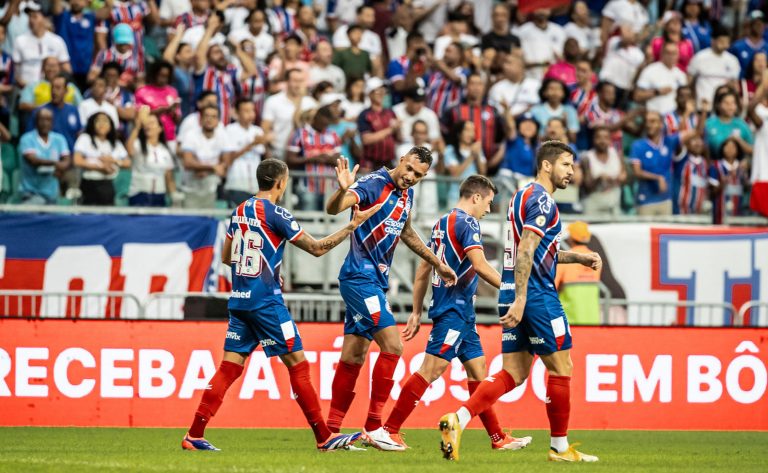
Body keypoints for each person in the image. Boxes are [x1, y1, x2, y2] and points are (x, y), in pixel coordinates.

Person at [182, 158, 381, 452]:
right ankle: (325, 437)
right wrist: (351, 226)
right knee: (298, 364)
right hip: (266, 302)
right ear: (280, 182)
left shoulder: (239, 211)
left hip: (239, 300)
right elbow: (315, 248)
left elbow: (227, 257)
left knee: (229, 367)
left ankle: (194, 435)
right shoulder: (277, 214)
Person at [438, 141, 602, 463]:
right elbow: (527, 250)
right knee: (562, 366)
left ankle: (458, 418)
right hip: (536, 294)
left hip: (513, 289)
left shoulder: (521, 196)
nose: (572, 171)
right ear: (546, 165)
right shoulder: (544, 201)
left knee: (514, 371)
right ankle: (559, 448)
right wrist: (524, 299)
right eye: (566, 165)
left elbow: (539, 251)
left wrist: (577, 258)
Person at [381, 175, 532, 451]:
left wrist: (417, 310)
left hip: (461, 313)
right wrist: (514, 290)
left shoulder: (442, 223)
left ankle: (497, 438)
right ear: (476, 197)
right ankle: (389, 430)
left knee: (479, 372)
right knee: (430, 370)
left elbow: (424, 268)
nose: (489, 209)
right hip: (453, 310)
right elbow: (481, 265)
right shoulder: (467, 223)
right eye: (488, 202)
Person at [323, 150, 457, 449]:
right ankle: (374, 427)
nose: (410, 176)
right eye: (408, 168)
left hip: (374, 284)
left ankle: (331, 431)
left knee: (354, 355)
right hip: (360, 279)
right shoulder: (373, 183)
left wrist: (437, 262)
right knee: (393, 345)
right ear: (401, 160)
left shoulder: (404, 194)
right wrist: (343, 189)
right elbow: (335, 208)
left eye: (418, 175)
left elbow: (406, 233)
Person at [631, 111, 688, 216]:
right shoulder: (638, 145)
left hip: (665, 199)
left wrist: (689, 113)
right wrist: (657, 178)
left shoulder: (668, 142)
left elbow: (695, 132)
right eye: (647, 122)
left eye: (653, 121)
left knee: (665, 230)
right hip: (645, 200)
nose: (649, 125)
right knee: (645, 231)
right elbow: (637, 172)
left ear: (661, 124)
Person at [442, 72, 505, 166]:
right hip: (458, 164)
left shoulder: (493, 111)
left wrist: (493, 162)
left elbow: (501, 138)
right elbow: (443, 134)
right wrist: (449, 157)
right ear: (466, 86)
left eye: (479, 84)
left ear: (484, 87)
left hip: (488, 165)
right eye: (472, 83)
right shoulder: (454, 110)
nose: (476, 87)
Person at [286, 105, 342, 211]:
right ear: (315, 118)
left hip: (330, 188)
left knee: (330, 221)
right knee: (309, 221)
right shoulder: (300, 134)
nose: (324, 126)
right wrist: (312, 159)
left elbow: (338, 160)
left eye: (327, 124)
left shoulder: (333, 135)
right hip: (307, 188)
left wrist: (328, 159)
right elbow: (290, 159)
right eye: (322, 123)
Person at [73, 112, 130, 205]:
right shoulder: (85, 138)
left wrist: (113, 161)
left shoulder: (115, 143)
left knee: (107, 215)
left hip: (108, 184)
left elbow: (127, 163)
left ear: (111, 125)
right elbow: (77, 160)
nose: (102, 124)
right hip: (90, 184)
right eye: (98, 121)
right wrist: (101, 168)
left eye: (105, 121)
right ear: (92, 124)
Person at [223, 99, 271, 207]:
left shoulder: (258, 130)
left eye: (252, 111)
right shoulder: (229, 130)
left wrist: (266, 143)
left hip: (256, 186)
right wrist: (251, 144)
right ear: (237, 113)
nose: (250, 114)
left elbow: (267, 159)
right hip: (236, 184)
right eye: (246, 111)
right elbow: (228, 159)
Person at [261, 68, 317, 160]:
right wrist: (268, 155)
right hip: (279, 153)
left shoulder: (311, 103)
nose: (298, 84)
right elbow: (264, 130)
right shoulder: (273, 101)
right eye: (295, 81)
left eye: (301, 81)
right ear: (287, 81)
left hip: (305, 155)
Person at [126, 106, 177, 207]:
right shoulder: (138, 144)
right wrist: (138, 126)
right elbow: (129, 150)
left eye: (152, 123)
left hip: (159, 194)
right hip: (139, 193)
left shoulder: (165, 150)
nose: (148, 126)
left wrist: (173, 195)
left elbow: (169, 176)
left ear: (160, 128)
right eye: (147, 123)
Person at [18, 107, 71, 204]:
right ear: (36, 121)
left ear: (52, 122)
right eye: (42, 119)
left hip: (52, 194)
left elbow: (66, 161)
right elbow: (33, 161)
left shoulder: (59, 139)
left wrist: (61, 168)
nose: (45, 123)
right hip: (31, 193)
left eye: (48, 120)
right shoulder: (27, 139)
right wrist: (56, 164)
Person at [12, 2, 71, 88]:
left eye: (35, 16)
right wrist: (28, 88)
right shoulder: (20, 41)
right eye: (29, 16)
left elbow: (66, 69)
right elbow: (15, 72)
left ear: (45, 19)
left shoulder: (57, 41)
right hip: (25, 89)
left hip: (50, 91)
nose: (31, 20)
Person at [554, 221, 603, 325]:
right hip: (592, 319)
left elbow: (552, 287)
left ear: (571, 238)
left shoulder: (566, 260)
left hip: (570, 319)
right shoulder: (595, 259)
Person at [180, 104, 227, 208]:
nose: (209, 119)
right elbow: (187, 163)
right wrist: (213, 168)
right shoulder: (191, 135)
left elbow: (225, 163)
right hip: (190, 190)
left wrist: (202, 168)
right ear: (201, 119)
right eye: (206, 116)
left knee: (209, 221)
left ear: (218, 120)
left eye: (213, 116)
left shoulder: (222, 136)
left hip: (211, 190)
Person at [687, 25, 740, 107]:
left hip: (723, 108)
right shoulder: (699, 57)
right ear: (713, 40)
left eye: (726, 42)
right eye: (721, 41)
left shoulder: (733, 60)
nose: (724, 44)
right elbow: (689, 82)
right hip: (702, 105)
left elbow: (735, 85)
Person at [580, 126, 626, 216]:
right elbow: (587, 185)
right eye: (599, 137)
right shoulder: (587, 157)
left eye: (606, 138)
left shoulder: (617, 154)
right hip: (594, 202)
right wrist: (599, 178)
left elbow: (624, 178)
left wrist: (614, 179)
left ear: (610, 140)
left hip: (614, 200)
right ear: (593, 139)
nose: (602, 141)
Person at [356, 77, 399, 172]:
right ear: (370, 94)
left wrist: (398, 128)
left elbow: (398, 138)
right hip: (370, 164)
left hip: (388, 163)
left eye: (382, 90)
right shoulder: (365, 115)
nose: (381, 93)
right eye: (377, 91)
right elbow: (366, 139)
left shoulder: (390, 113)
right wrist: (390, 130)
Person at [52, 0, 96, 91]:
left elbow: (108, 8)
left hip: (87, 71)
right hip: (67, 69)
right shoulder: (63, 17)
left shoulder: (90, 17)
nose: (76, 2)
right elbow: (56, 5)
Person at [635, 41, 688, 115]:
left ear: (678, 55)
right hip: (654, 116)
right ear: (662, 54)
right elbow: (637, 96)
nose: (671, 56)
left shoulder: (681, 75)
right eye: (668, 53)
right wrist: (657, 92)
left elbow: (685, 99)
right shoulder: (650, 70)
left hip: (673, 118)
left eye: (674, 53)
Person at [135, 60, 181, 144]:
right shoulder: (142, 91)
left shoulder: (172, 91)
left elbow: (177, 119)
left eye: (166, 76)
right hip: (149, 138)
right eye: (161, 75)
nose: (164, 79)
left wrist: (173, 112)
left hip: (170, 137)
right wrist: (159, 111)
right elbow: (139, 115)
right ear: (154, 74)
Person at [444, 120, 486, 203]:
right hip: (456, 197)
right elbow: (455, 174)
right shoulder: (450, 150)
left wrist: (477, 156)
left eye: (472, 130)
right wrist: (471, 157)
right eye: (467, 130)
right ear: (459, 133)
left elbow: (483, 172)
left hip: (474, 198)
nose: (470, 134)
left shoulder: (478, 150)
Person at [425, 42, 469, 119]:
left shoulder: (464, 71)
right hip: (431, 117)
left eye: (449, 51)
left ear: (459, 55)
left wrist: (440, 64)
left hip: (450, 119)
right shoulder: (436, 73)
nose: (445, 54)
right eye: (445, 51)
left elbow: (456, 79)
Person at [705, 90, 753, 159]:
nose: (730, 106)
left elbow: (752, 149)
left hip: (738, 166)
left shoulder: (742, 125)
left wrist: (739, 141)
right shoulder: (709, 124)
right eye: (726, 103)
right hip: (713, 165)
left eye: (733, 103)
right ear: (718, 105)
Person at [710, 137, 748, 224]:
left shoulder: (741, 167)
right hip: (720, 215)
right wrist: (722, 184)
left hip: (738, 214)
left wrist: (743, 175)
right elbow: (711, 192)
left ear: (738, 150)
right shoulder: (716, 166)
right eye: (727, 146)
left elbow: (746, 189)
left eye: (733, 147)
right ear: (722, 149)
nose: (730, 149)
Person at [729, 10, 768, 79]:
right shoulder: (737, 47)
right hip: (742, 84)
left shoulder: (766, 47)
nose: (760, 26)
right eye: (756, 23)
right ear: (750, 25)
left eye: (762, 23)